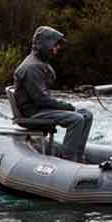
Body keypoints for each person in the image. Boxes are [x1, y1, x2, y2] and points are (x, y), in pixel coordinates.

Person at [12, 26, 93, 162]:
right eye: (55, 46)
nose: (56, 50)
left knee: (87, 114)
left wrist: (67, 107)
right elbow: (41, 100)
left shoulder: (39, 64)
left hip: (41, 108)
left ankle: (78, 155)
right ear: (45, 45)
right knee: (76, 119)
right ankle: (68, 159)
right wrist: (68, 106)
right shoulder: (32, 67)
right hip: (34, 112)